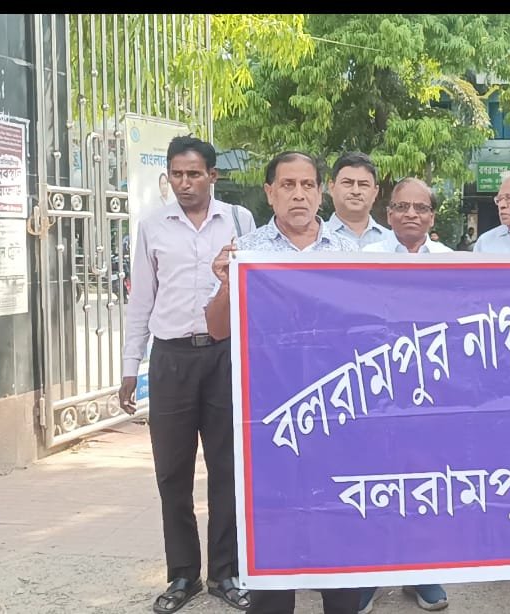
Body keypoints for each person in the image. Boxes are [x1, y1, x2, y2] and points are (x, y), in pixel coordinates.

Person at [204, 151, 361, 614]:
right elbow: (217, 329)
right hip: (268, 416)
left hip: (337, 412)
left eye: (307, 185)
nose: (298, 194)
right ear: (269, 192)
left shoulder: (348, 254)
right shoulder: (245, 251)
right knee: (273, 526)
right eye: (287, 185)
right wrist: (226, 283)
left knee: (337, 522)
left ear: (321, 192)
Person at [119, 135, 257, 614]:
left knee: (228, 470)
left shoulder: (239, 220)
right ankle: (182, 574)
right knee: (172, 473)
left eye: (194, 174)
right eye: (177, 174)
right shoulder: (153, 226)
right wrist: (129, 367)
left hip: (225, 357)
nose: (184, 182)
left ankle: (225, 572)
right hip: (171, 360)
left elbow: (253, 289)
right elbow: (141, 300)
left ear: (212, 176)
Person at [357, 178, 450, 613]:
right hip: (376, 390)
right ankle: (370, 574)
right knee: (376, 481)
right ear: (388, 213)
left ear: (432, 217)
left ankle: (422, 573)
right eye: (402, 206)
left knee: (426, 481)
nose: (411, 214)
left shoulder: (453, 263)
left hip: (436, 393)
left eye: (421, 207)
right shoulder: (364, 259)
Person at [326, 151, 389, 247]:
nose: (355, 191)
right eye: (347, 183)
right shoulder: (316, 239)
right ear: (331, 188)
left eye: (363, 184)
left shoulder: (392, 242)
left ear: (375, 192)